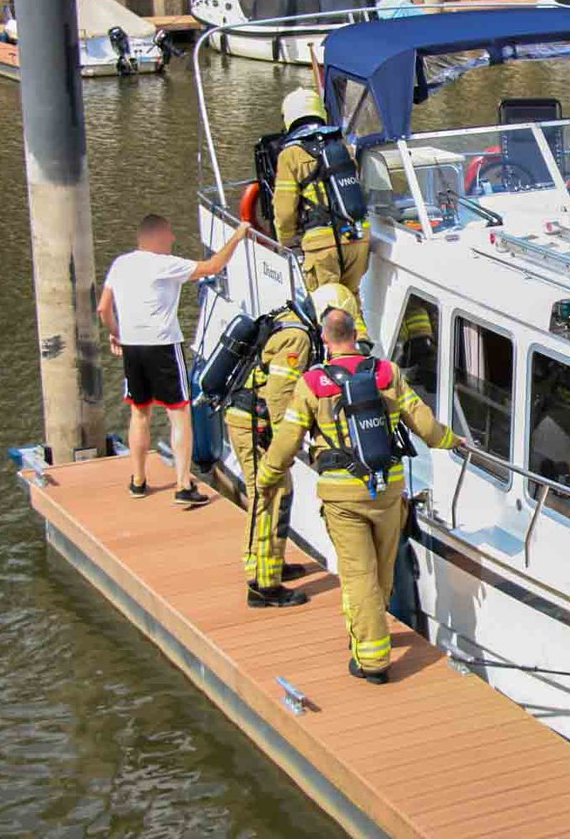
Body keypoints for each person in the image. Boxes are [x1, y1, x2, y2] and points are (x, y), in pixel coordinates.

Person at [257, 310, 463, 677]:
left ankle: (372, 659)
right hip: (387, 488)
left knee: (358, 574)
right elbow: (425, 425)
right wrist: (451, 440)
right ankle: (373, 627)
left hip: (342, 494)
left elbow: (288, 438)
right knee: (382, 568)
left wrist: (268, 475)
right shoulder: (386, 373)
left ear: (324, 339)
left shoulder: (313, 382)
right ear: (355, 335)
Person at [99, 214, 251, 505]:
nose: (173, 240)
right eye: (169, 235)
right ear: (155, 237)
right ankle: (183, 486)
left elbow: (104, 308)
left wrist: (117, 333)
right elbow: (215, 266)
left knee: (139, 413)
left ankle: (138, 481)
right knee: (179, 414)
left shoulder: (120, 264)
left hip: (133, 347)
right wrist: (238, 235)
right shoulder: (165, 264)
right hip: (163, 346)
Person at [227, 299, 320, 606]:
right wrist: (285, 447)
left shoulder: (289, 318)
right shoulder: (299, 337)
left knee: (275, 494)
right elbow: (279, 398)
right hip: (255, 424)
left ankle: (270, 566)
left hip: (251, 420)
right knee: (268, 494)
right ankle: (262, 583)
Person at [271, 88, 374, 345]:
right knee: (349, 296)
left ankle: (349, 357)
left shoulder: (290, 155)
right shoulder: (342, 145)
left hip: (320, 243)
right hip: (357, 237)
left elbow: (284, 211)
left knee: (330, 307)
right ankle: (362, 345)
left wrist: (286, 241)